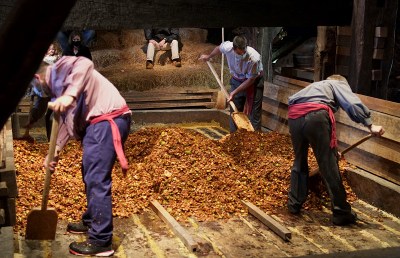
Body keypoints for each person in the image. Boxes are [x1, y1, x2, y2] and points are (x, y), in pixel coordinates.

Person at [37, 56, 131, 256]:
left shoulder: (60, 68)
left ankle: (101, 241)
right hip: (97, 125)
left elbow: (85, 64)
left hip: (107, 120)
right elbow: (63, 123)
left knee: (96, 178)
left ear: (38, 77)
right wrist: (54, 153)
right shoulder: (57, 91)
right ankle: (92, 221)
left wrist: (70, 95)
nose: (35, 93)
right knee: (89, 173)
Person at [286, 74, 385, 226]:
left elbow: (296, 106)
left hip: (293, 116)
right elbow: (351, 103)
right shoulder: (336, 83)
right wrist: (369, 124)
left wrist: (332, 150)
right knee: (328, 165)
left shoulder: (315, 87)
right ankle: (341, 212)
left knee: (299, 160)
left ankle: (293, 204)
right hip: (315, 115)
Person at [199, 35, 264, 132]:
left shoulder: (254, 58)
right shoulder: (228, 47)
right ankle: (233, 137)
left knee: (254, 111)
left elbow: (250, 80)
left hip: (254, 81)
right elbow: (218, 48)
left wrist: (234, 92)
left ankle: (255, 138)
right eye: (239, 53)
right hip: (237, 79)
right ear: (234, 49)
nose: (242, 54)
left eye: (244, 52)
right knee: (235, 109)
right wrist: (208, 57)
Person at [23, 43, 61, 141]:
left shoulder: (57, 60)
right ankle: (30, 124)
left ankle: (54, 139)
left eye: (53, 49)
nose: (52, 51)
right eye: (50, 49)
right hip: (43, 91)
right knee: (40, 109)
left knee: (52, 114)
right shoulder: (40, 61)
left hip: (54, 89)